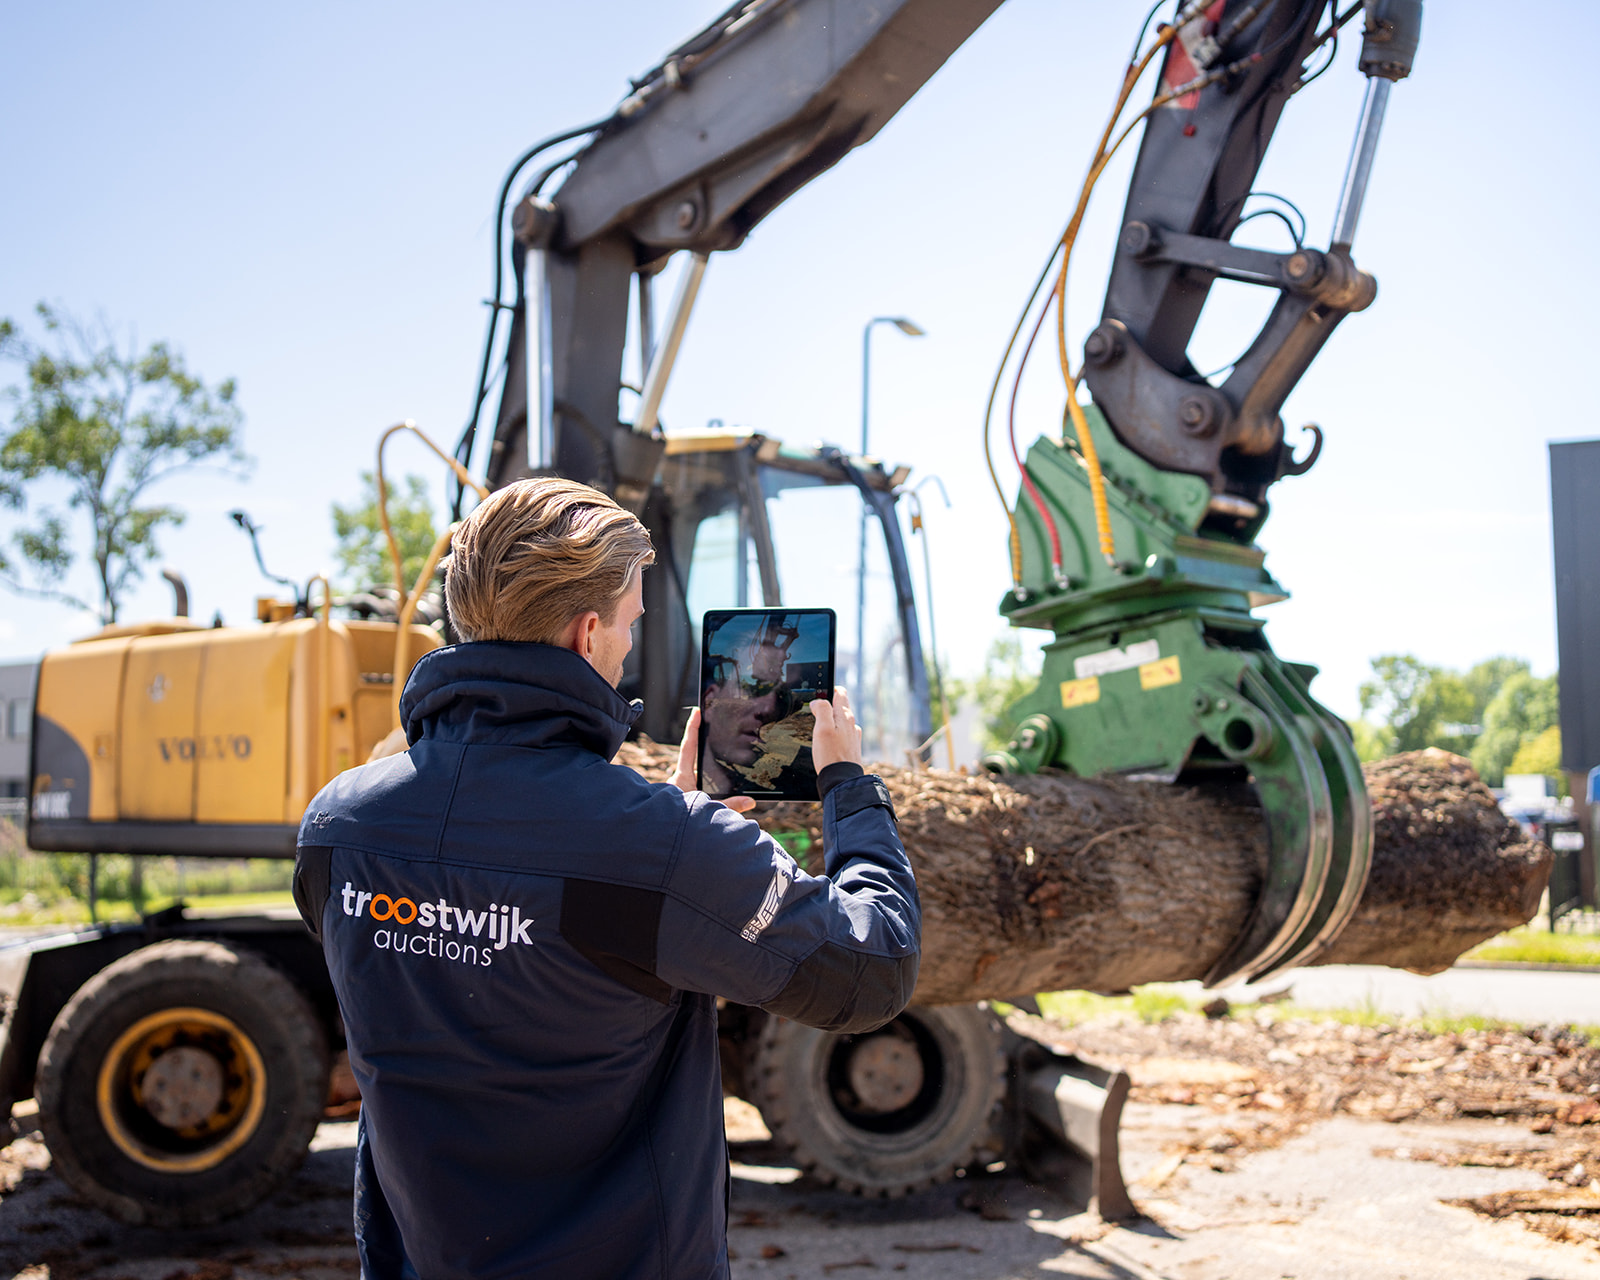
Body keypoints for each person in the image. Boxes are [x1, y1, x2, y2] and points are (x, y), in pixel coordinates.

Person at [293, 477, 919, 1280]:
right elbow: (873, 968)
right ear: (589, 633)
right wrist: (849, 786)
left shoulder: (336, 828)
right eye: (630, 622)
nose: (627, 646)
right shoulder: (663, 848)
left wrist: (672, 847)